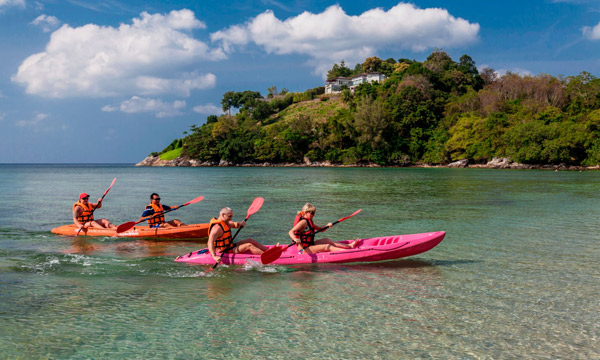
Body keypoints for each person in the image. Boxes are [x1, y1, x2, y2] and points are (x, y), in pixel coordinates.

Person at [289, 203, 359, 254]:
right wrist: (295, 239)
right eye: (312, 213)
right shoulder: (303, 222)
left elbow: (320, 229)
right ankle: (349, 253)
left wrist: (327, 226)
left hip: (309, 245)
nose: (314, 215)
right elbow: (291, 231)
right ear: (306, 212)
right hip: (302, 250)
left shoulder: (309, 221)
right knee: (327, 246)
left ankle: (349, 246)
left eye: (314, 213)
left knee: (327, 240)